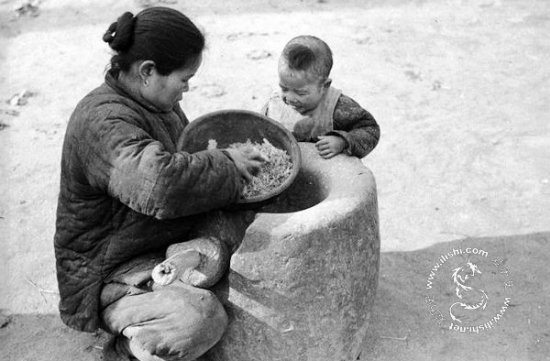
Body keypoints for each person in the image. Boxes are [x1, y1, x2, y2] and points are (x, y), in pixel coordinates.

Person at [53, 7, 265, 361]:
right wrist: (226, 165)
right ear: (148, 71)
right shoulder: (103, 121)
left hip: (156, 239)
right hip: (114, 270)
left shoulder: (151, 101)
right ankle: (133, 341)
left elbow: (186, 162)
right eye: (184, 78)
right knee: (200, 317)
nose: (187, 88)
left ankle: (168, 293)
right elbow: (160, 185)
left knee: (253, 232)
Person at [262, 35, 380, 159]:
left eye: (301, 93)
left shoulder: (339, 108)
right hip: (284, 166)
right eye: (284, 88)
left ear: (324, 86)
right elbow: (261, 124)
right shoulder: (276, 100)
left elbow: (370, 130)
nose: (290, 98)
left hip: (324, 169)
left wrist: (343, 141)